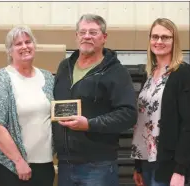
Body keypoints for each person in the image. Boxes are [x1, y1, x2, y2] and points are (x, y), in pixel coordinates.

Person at [52, 13, 138, 186]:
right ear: (76, 36)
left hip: (99, 166)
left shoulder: (116, 72)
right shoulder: (64, 67)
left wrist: (90, 124)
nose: (87, 36)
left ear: (104, 37)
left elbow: (128, 114)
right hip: (65, 163)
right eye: (82, 32)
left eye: (93, 32)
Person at [0, 25, 55, 186]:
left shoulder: (48, 77)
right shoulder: (2, 79)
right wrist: (18, 161)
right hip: (13, 167)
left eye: (28, 42)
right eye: (18, 44)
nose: (24, 47)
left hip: (45, 163)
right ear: (9, 50)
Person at [131, 18, 190, 186]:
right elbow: (143, 120)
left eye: (165, 37)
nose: (159, 41)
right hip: (146, 161)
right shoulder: (148, 74)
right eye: (155, 36)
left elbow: (188, 124)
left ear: (174, 41)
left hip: (169, 164)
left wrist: (180, 169)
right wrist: (138, 166)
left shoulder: (183, 74)